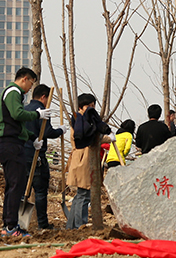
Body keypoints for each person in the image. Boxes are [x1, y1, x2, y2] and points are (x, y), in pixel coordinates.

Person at [0, 68, 51, 237]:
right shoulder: (13, 92)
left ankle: (8, 224)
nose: (30, 88)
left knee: (13, 184)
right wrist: (36, 114)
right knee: (17, 184)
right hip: (11, 144)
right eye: (31, 83)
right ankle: (11, 226)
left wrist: (32, 138)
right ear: (24, 79)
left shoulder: (14, 94)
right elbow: (17, 114)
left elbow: (18, 125)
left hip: (12, 143)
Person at [66, 93, 112, 229]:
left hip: (81, 158)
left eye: (93, 106)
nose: (92, 109)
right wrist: (107, 138)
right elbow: (90, 136)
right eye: (88, 106)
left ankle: (72, 225)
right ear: (80, 107)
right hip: (83, 159)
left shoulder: (80, 119)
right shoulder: (81, 121)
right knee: (84, 194)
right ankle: (80, 224)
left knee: (80, 195)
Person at [24, 84, 67, 230]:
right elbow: (47, 132)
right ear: (43, 97)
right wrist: (60, 130)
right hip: (37, 157)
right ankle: (42, 223)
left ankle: (18, 222)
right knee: (40, 191)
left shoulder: (24, 110)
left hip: (23, 155)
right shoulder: (42, 110)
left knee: (23, 190)